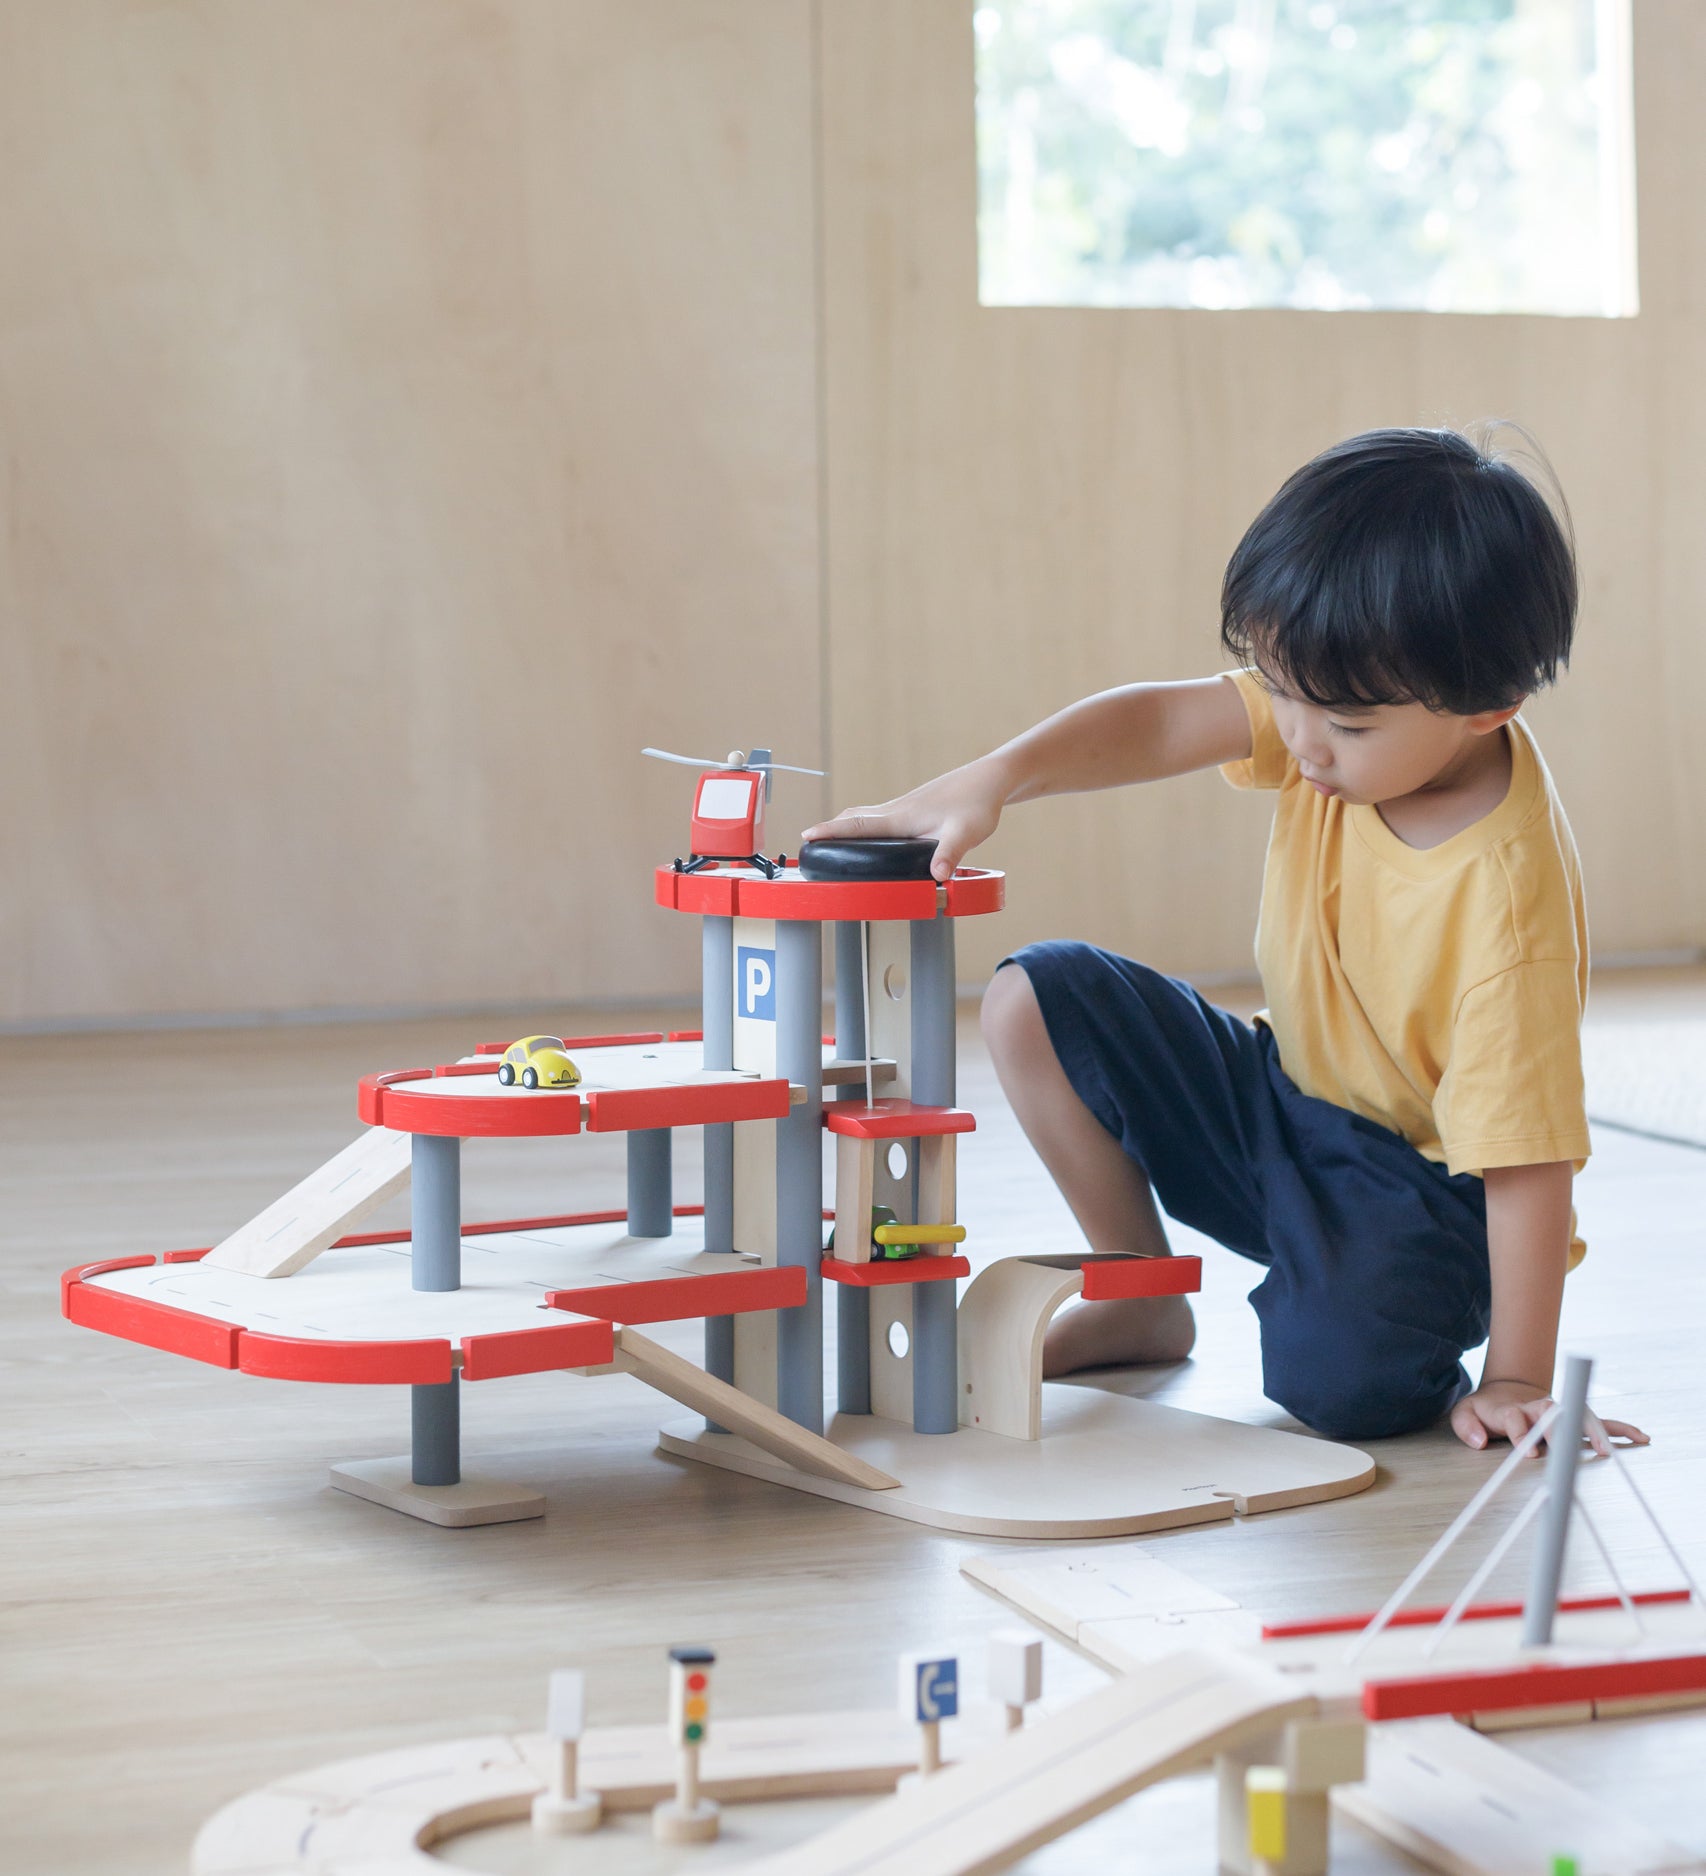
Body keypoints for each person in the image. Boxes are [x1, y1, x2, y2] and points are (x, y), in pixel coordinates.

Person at [804, 428, 1647, 1453]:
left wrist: (1516, 1372)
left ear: (1487, 708)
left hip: (1420, 1200)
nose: (1296, 736)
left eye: (1340, 722)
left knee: (1334, 1386)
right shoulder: (1341, 702)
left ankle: (1361, 1314)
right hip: (1283, 1103)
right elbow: (1159, 722)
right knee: (1036, 999)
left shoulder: (1503, 907)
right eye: (1278, 688)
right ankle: (1137, 1293)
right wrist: (991, 780)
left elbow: (1525, 1166)